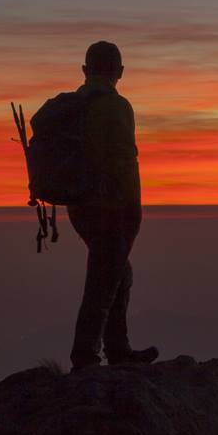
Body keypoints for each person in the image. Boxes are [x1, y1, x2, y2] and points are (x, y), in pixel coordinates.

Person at [68, 40, 158, 371]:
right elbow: (124, 160)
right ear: (120, 72)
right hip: (112, 207)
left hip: (79, 207)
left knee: (118, 273)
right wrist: (132, 211)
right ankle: (86, 357)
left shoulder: (75, 106)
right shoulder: (116, 106)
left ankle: (118, 349)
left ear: (85, 71)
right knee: (103, 281)